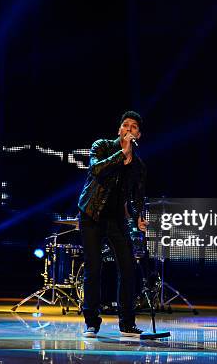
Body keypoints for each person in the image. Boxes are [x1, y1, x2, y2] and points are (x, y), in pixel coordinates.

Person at [77, 110, 149, 338]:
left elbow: (136, 196)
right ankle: (91, 322)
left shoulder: (138, 166)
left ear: (139, 134)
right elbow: (96, 170)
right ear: (119, 130)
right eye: (125, 125)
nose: (129, 129)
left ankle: (127, 323)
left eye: (134, 127)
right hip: (92, 214)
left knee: (128, 268)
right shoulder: (102, 146)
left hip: (116, 219)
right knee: (93, 267)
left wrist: (138, 215)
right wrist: (122, 153)